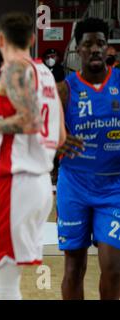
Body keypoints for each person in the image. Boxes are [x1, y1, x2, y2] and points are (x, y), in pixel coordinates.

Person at [0, 12, 66, 300]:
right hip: (38, 186)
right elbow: (60, 137)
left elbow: (30, 121)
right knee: (7, 281)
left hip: (14, 184)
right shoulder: (46, 74)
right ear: (32, 38)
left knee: (2, 285)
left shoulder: (13, 70)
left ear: (1, 39)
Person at [56, 17, 120, 300]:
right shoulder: (64, 90)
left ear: (107, 48)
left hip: (114, 189)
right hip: (75, 187)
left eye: (101, 43)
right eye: (88, 44)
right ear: (77, 49)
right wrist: (53, 141)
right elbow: (36, 134)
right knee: (74, 267)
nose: (95, 49)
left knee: (114, 268)